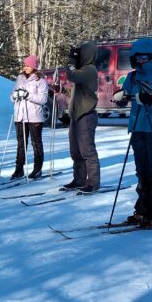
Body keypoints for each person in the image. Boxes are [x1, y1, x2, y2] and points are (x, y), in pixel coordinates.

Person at [113, 37, 152, 225]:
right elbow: (126, 93)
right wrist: (121, 97)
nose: (139, 61)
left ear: (151, 56)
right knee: (141, 172)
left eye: (143, 57)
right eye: (137, 57)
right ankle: (141, 210)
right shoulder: (133, 76)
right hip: (138, 128)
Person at [62, 40, 101, 193]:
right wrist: (62, 90)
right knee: (76, 151)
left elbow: (71, 74)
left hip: (86, 115)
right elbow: (76, 93)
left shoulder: (90, 70)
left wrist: (71, 59)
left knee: (87, 151)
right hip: (76, 116)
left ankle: (93, 182)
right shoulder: (83, 72)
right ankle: (79, 179)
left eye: (80, 54)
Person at [10, 55, 49, 180]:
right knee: (21, 143)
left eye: (27, 65)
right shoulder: (20, 78)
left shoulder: (40, 80)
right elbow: (11, 97)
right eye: (24, 65)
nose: (25, 67)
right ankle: (19, 169)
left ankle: (37, 169)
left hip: (34, 117)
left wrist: (27, 95)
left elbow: (43, 99)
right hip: (20, 116)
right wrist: (15, 96)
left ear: (33, 67)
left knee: (36, 143)